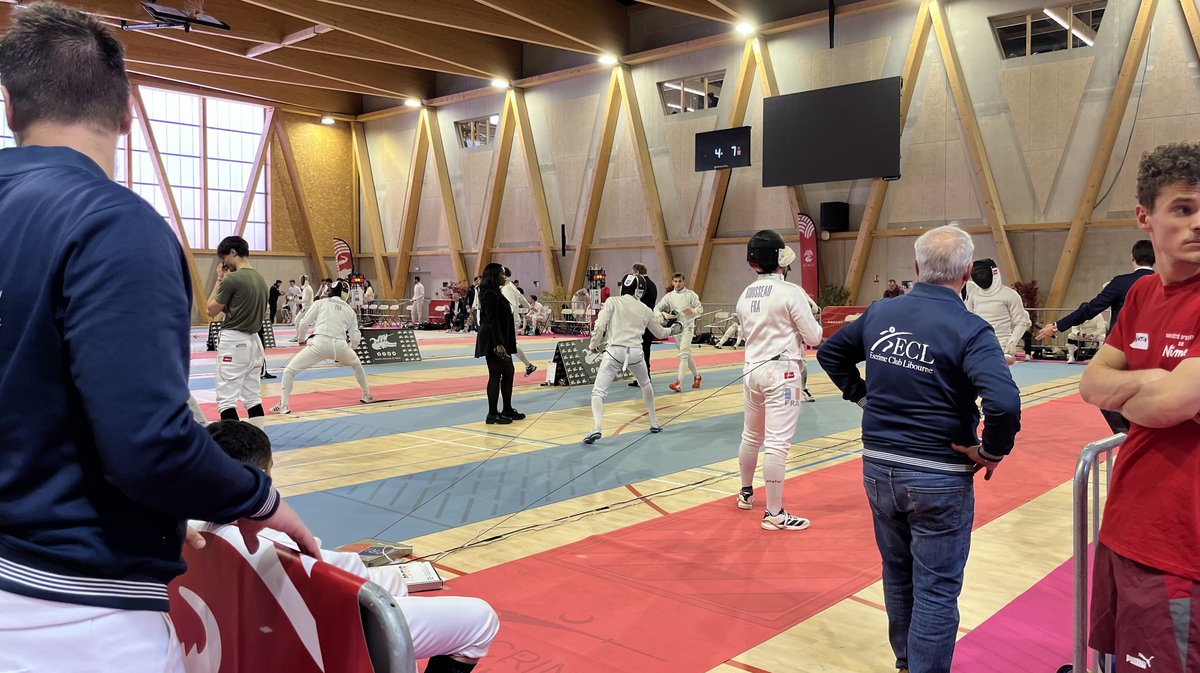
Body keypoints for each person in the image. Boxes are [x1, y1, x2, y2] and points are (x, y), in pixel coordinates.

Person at [0, 6, 317, 671]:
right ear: (125, 115)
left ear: (9, 107)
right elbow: (146, 444)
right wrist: (254, 497)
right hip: (71, 611)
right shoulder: (112, 225)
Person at [817, 224, 1022, 673]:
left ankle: (907, 663)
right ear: (967, 272)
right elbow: (1004, 403)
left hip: (878, 467)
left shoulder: (880, 312)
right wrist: (992, 451)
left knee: (897, 573)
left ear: (916, 266)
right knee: (936, 588)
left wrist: (863, 397)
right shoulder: (971, 329)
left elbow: (830, 353)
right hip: (938, 475)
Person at [203, 421, 499, 672]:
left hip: (240, 630)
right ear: (261, 475)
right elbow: (356, 584)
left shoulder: (186, 526)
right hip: (318, 631)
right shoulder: (272, 542)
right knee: (480, 619)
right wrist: (401, 579)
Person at [1078, 142, 1200, 673]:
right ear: (1145, 217)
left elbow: (1173, 403)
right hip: (1126, 527)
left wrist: (1143, 391)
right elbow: (1091, 383)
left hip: (1183, 546)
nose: (1199, 222)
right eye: (1183, 208)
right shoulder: (1142, 294)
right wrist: (1152, 380)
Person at [732, 231, 824, 531]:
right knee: (776, 443)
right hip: (782, 373)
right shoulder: (791, 292)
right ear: (778, 260)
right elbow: (814, 337)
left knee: (751, 435)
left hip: (752, 371)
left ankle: (746, 493)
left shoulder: (745, 294)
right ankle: (774, 514)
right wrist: (810, 315)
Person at [1036, 239, 1155, 433]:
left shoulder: (1120, 283)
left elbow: (1090, 309)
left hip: (1121, 349)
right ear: (1155, 259)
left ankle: (1125, 433)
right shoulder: (1164, 282)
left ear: (1132, 257)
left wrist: (1057, 327)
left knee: (1103, 392)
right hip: (1154, 349)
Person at [583, 274, 681, 444]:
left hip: (614, 352)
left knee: (598, 392)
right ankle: (654, 422)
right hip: (635, 353)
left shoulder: (612, 302)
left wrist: (594, 344)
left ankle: (597, 427)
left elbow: (599, 326)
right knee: (646, 384)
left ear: (623, 287)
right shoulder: (645, 309)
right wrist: (674, 329)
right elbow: (660, 333)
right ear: (640, 290)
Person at [271, 280, 374, 415]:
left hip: (319, 344)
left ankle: (283, 405)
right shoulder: (350, 310)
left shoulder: (320, 303)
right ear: (345, 293)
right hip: (340, 346)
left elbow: (304, 323)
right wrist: (352, 347)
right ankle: (367, 395)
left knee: (289, 371)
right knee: (356, 364)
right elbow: (355, 335)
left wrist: (301, 339)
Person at [207, 235, 270, 428]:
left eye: (224, 258)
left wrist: (219, 278)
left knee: (226, 400)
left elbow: (210, 310)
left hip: (234, 342)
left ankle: (233, 443)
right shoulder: (261, 279)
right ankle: (259, 440)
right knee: (253, 398)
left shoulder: (232, 280)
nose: (224, 263)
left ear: (233, 252)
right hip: (255, 343)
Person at [475, 263, 525, 425]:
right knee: (496, 374)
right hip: (493, 340)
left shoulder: (496, 292)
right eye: (502, 274)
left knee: (509, 372)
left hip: (501, 338)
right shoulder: (489, 294)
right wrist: (498, 344)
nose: (505, 277)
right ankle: (492, 413)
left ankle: (507, 409)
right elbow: (492, 321)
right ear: (494, 276)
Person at [964, 258, 1031, 365]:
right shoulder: (974, 294)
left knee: (997, 371)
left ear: (994, 272)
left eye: (982, 272)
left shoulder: (1009, 295)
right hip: (979, 346)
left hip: (1002, 347)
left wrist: (1012, 342)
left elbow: (1020, 322)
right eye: (976, 273)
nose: (979, 276)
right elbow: (968, 319)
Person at [655, 273, 704, 392]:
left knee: (683, 354)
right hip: (676, 328)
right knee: (686, 354)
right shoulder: (669, 296)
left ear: (683, 281)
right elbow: (656, 308)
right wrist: (661, 315)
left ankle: (678, 383)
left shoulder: (691, 294)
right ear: (672, 282)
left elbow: (700, 309)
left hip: (688, 327)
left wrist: (692, 311)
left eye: (679, 281)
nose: (677, 284)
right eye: (675, 281)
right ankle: (697, 376)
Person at [501, 266, 537, 376]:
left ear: (504, 276)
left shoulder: (507, 288)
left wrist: (506, 319)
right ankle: (529, 366)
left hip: (510, 321)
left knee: (508, 346)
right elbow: (521, 298)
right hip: (512, 320)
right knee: (509, 345)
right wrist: (530, 307)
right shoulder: (510, 285)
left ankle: (507, 371)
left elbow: (511, 306)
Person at [629, 262, 658, 388]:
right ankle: (645, 377)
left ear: (637, 272)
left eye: (633, 273)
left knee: (640, 352)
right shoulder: (653, 285)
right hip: (650, 321)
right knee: (646, 350)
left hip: (641, 323)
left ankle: (644, 378)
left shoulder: (641, 285)